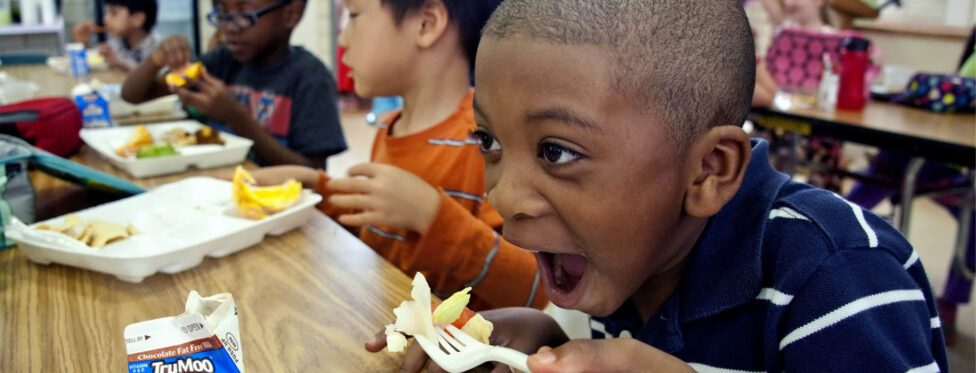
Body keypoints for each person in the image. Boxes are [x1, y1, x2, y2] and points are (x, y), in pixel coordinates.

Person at [373, 0, 948, 371]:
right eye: (490, 143)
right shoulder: (628, 256)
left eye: (557, 151)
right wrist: (544, 336)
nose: (501, 197)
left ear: (707, 171)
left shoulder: (834, 274)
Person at [249, 0, 545, 311]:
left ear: (426, 24)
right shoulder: (390, 126)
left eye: (353, 16)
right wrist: (315, 187)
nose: (342, 39)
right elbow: (384, 237)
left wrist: (433, 217)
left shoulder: (488, 144)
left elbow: (534, 292)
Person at [846, 27, 976, 347]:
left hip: (946, 165)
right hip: (927, 157)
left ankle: (952, 301)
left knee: (972, 211)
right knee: (875, 182)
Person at [121, 0, 347, 169]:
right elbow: (133, 95)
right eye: (223, 13)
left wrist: (236, 118)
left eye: (245, 15)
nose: (230, 27)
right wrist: (155, 60)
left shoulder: (311, 79)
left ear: (291, 14)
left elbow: (312, 174)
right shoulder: (222, 61)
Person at [73, 0, 161, 72]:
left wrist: (120, 64)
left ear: (137, 19)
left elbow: (154, 79)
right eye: (106, 12)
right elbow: (96, 59)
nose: (105, 19)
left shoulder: (157, 48)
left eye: (114, 13)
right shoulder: (117, 41)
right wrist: (83, 42)